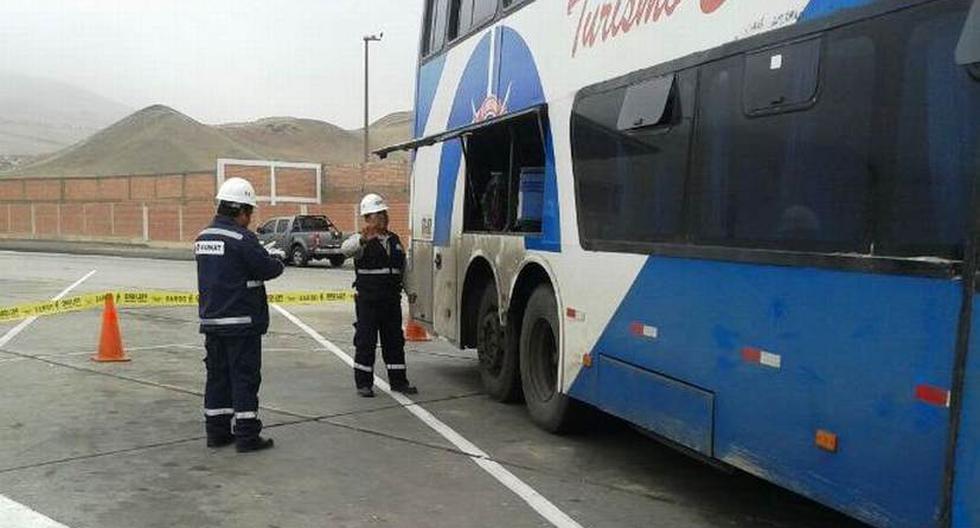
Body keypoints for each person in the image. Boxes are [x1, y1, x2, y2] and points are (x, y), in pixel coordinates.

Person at [195, 177, 285, 452]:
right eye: (250, 212)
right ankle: (246, 435)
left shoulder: (202, 238)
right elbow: (265, 269)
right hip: (242, 323)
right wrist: (277, 259)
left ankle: (217, 432)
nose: (250, 218)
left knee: (217, 378)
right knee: (244, 378)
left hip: (212, 322)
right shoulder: (242, 238)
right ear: (241, 210)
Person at [341, 193, 419, 398]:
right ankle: (364, 384)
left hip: (391, 302)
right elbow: (345, 250)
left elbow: (403, 270)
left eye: (383, 214)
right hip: (368, 302)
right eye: (377, 215)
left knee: (394, 341)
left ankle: (399, 381)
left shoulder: (394, 240)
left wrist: (411, 293)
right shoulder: (360, 241)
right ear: (367, 218)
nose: (382, 218)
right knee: (365, 342)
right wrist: (362, 239)